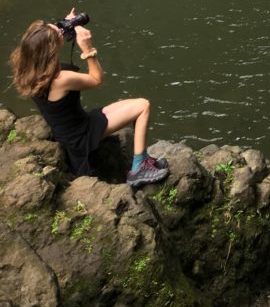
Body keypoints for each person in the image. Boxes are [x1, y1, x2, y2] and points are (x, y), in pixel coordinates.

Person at [9, 10, 169, 189]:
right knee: (143, 106)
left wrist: (66, 27)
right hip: (81, 136)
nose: (62, 30)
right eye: (58, 32)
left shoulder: (29, 70)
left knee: (133, 103)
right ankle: (139, 168)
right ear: (50, 49)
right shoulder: (60, 79)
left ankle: (142, 160)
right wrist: (87, 49)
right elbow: (97, 79)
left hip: (69, 130)